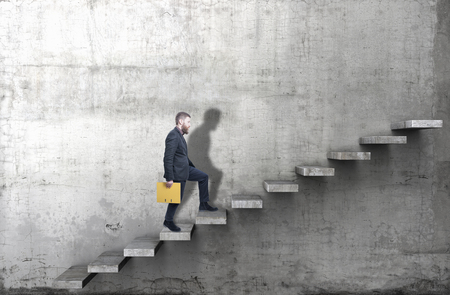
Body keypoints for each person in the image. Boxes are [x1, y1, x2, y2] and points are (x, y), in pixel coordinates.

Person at [163, 111, 218, 232]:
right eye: (188, 122)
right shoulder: (173, 135)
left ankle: (203, 204)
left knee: (203, 177)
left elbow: (181, 155)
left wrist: (190, 166)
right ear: (180, 121)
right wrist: (169, 178)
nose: (190, 125)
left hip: (186, 169)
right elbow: (168, 158)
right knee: (176, 199)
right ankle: (168, 220)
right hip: (177, 173)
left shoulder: (180, 135)